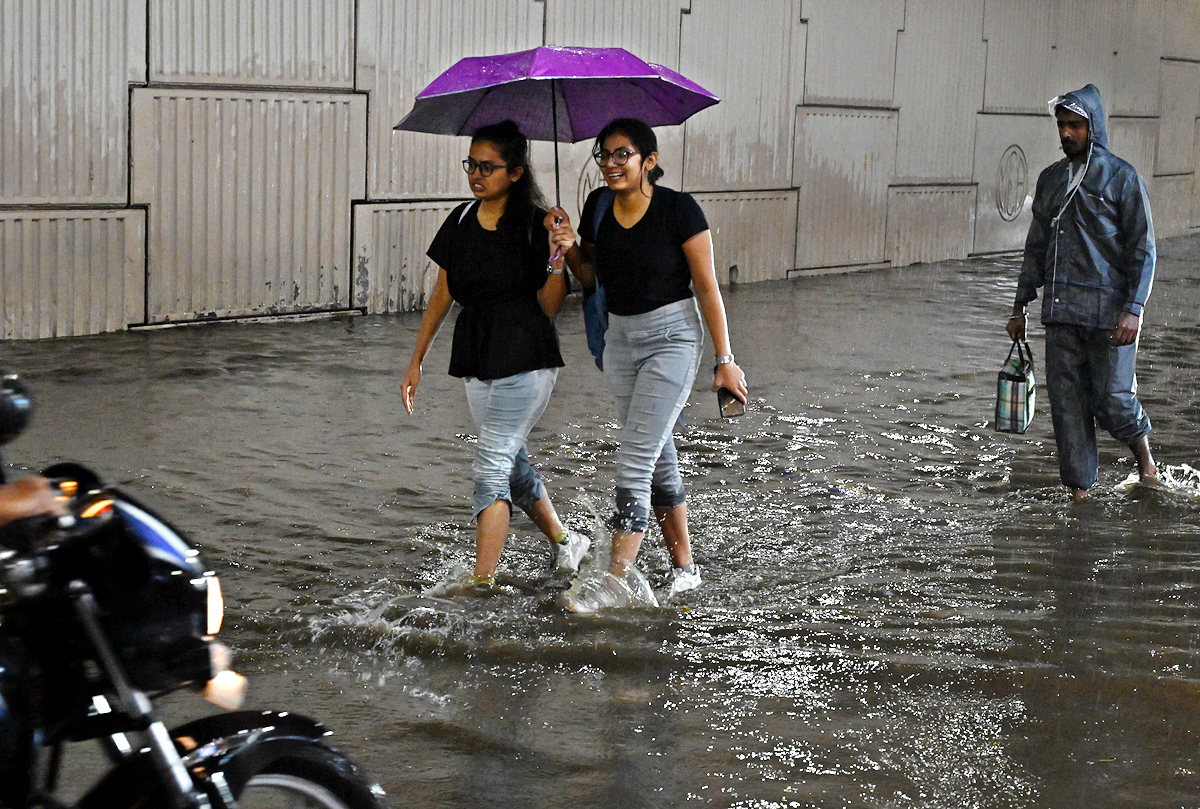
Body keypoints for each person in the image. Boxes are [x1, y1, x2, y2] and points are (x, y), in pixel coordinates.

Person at [547, 117, 748, 612]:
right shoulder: (597, 207)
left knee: (633, 462)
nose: (611, 165)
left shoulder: (679, 210)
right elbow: (593, 275)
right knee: (657, 457)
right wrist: (569, 244)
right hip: (620, 342)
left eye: (622, 155)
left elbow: (706, 288)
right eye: (603, 155)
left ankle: (614, 582)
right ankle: (686, 570)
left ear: (648, 162)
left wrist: (724, 360)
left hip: (672, 339)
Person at [401, 120, 589, 587]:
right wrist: (416, 359)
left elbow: (549, 307)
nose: (476, 174)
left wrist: (557, 255)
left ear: (517, 172)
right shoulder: (462, 220)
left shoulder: (537, 224)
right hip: (478, 354)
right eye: (472, 164)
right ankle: (569, 544)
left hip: (526, 354)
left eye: (488, 166)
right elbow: (443, 293)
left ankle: (481, 584)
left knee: (491, 466)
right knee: (513, 461)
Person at [1006, 83, 1157, 502]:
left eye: (1075, 125)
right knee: (1068, 407)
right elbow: (1036, 247)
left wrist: (1134, 309)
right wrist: (1020, 305)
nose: (1067, 133)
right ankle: (1079, 494)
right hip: (1061, 313)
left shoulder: (1123, 179)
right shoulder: (1051, 180)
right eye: (1062, 126)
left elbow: (1143, 248)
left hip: (1110, 315)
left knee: (1111, 398)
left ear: (1094, 126)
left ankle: (1145, 460)